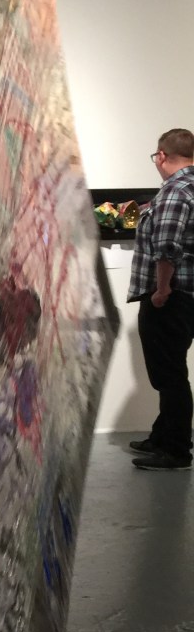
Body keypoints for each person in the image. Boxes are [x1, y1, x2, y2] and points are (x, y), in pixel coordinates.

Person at [128, 128, 194, 471]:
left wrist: (161, 290)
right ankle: (162, 435)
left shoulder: (174, 192)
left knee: (169, 375)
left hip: (171, 296)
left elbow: (167, 247)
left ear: (162, 156)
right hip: (187, 296)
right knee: (171, 371)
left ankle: (176, 450)